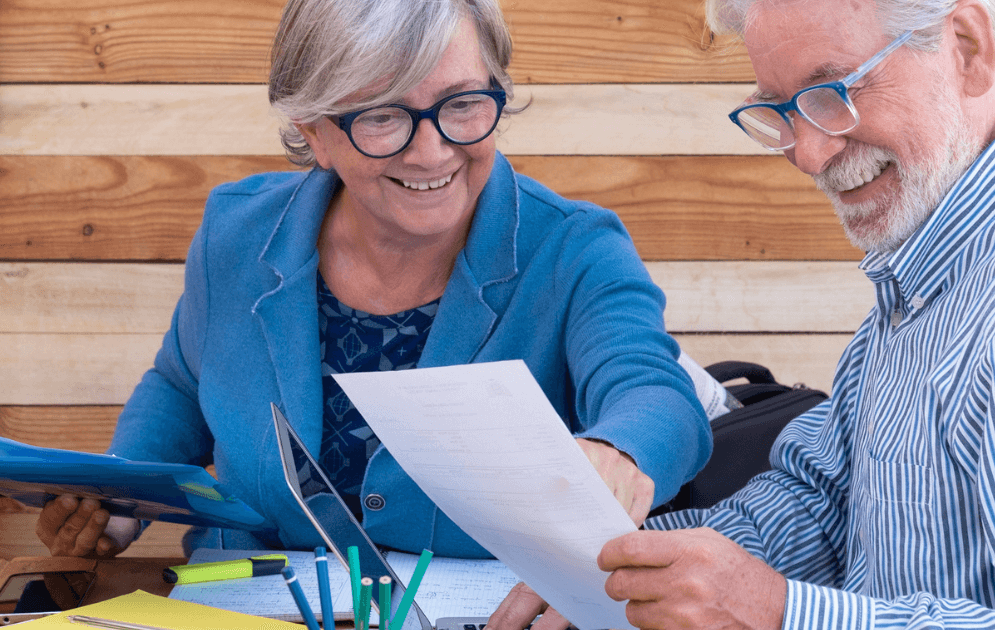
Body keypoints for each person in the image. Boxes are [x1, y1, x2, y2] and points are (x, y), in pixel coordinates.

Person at [488, 0, 995, 628]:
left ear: (967, 49)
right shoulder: (931, 261)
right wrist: (624, 575)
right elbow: (823, 502)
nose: (809, 151)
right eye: (781, 109)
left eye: (833, 92)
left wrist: (780, 613)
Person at [34, 0, 711, 560]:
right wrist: (119, 503)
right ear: (315, 133)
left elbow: (656, 395)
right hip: (244, 605)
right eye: (383, 115)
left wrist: (617, 450)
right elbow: (183, 386)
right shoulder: (235, 234)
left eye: (463, 104)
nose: (433, 149)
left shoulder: (574, 247)